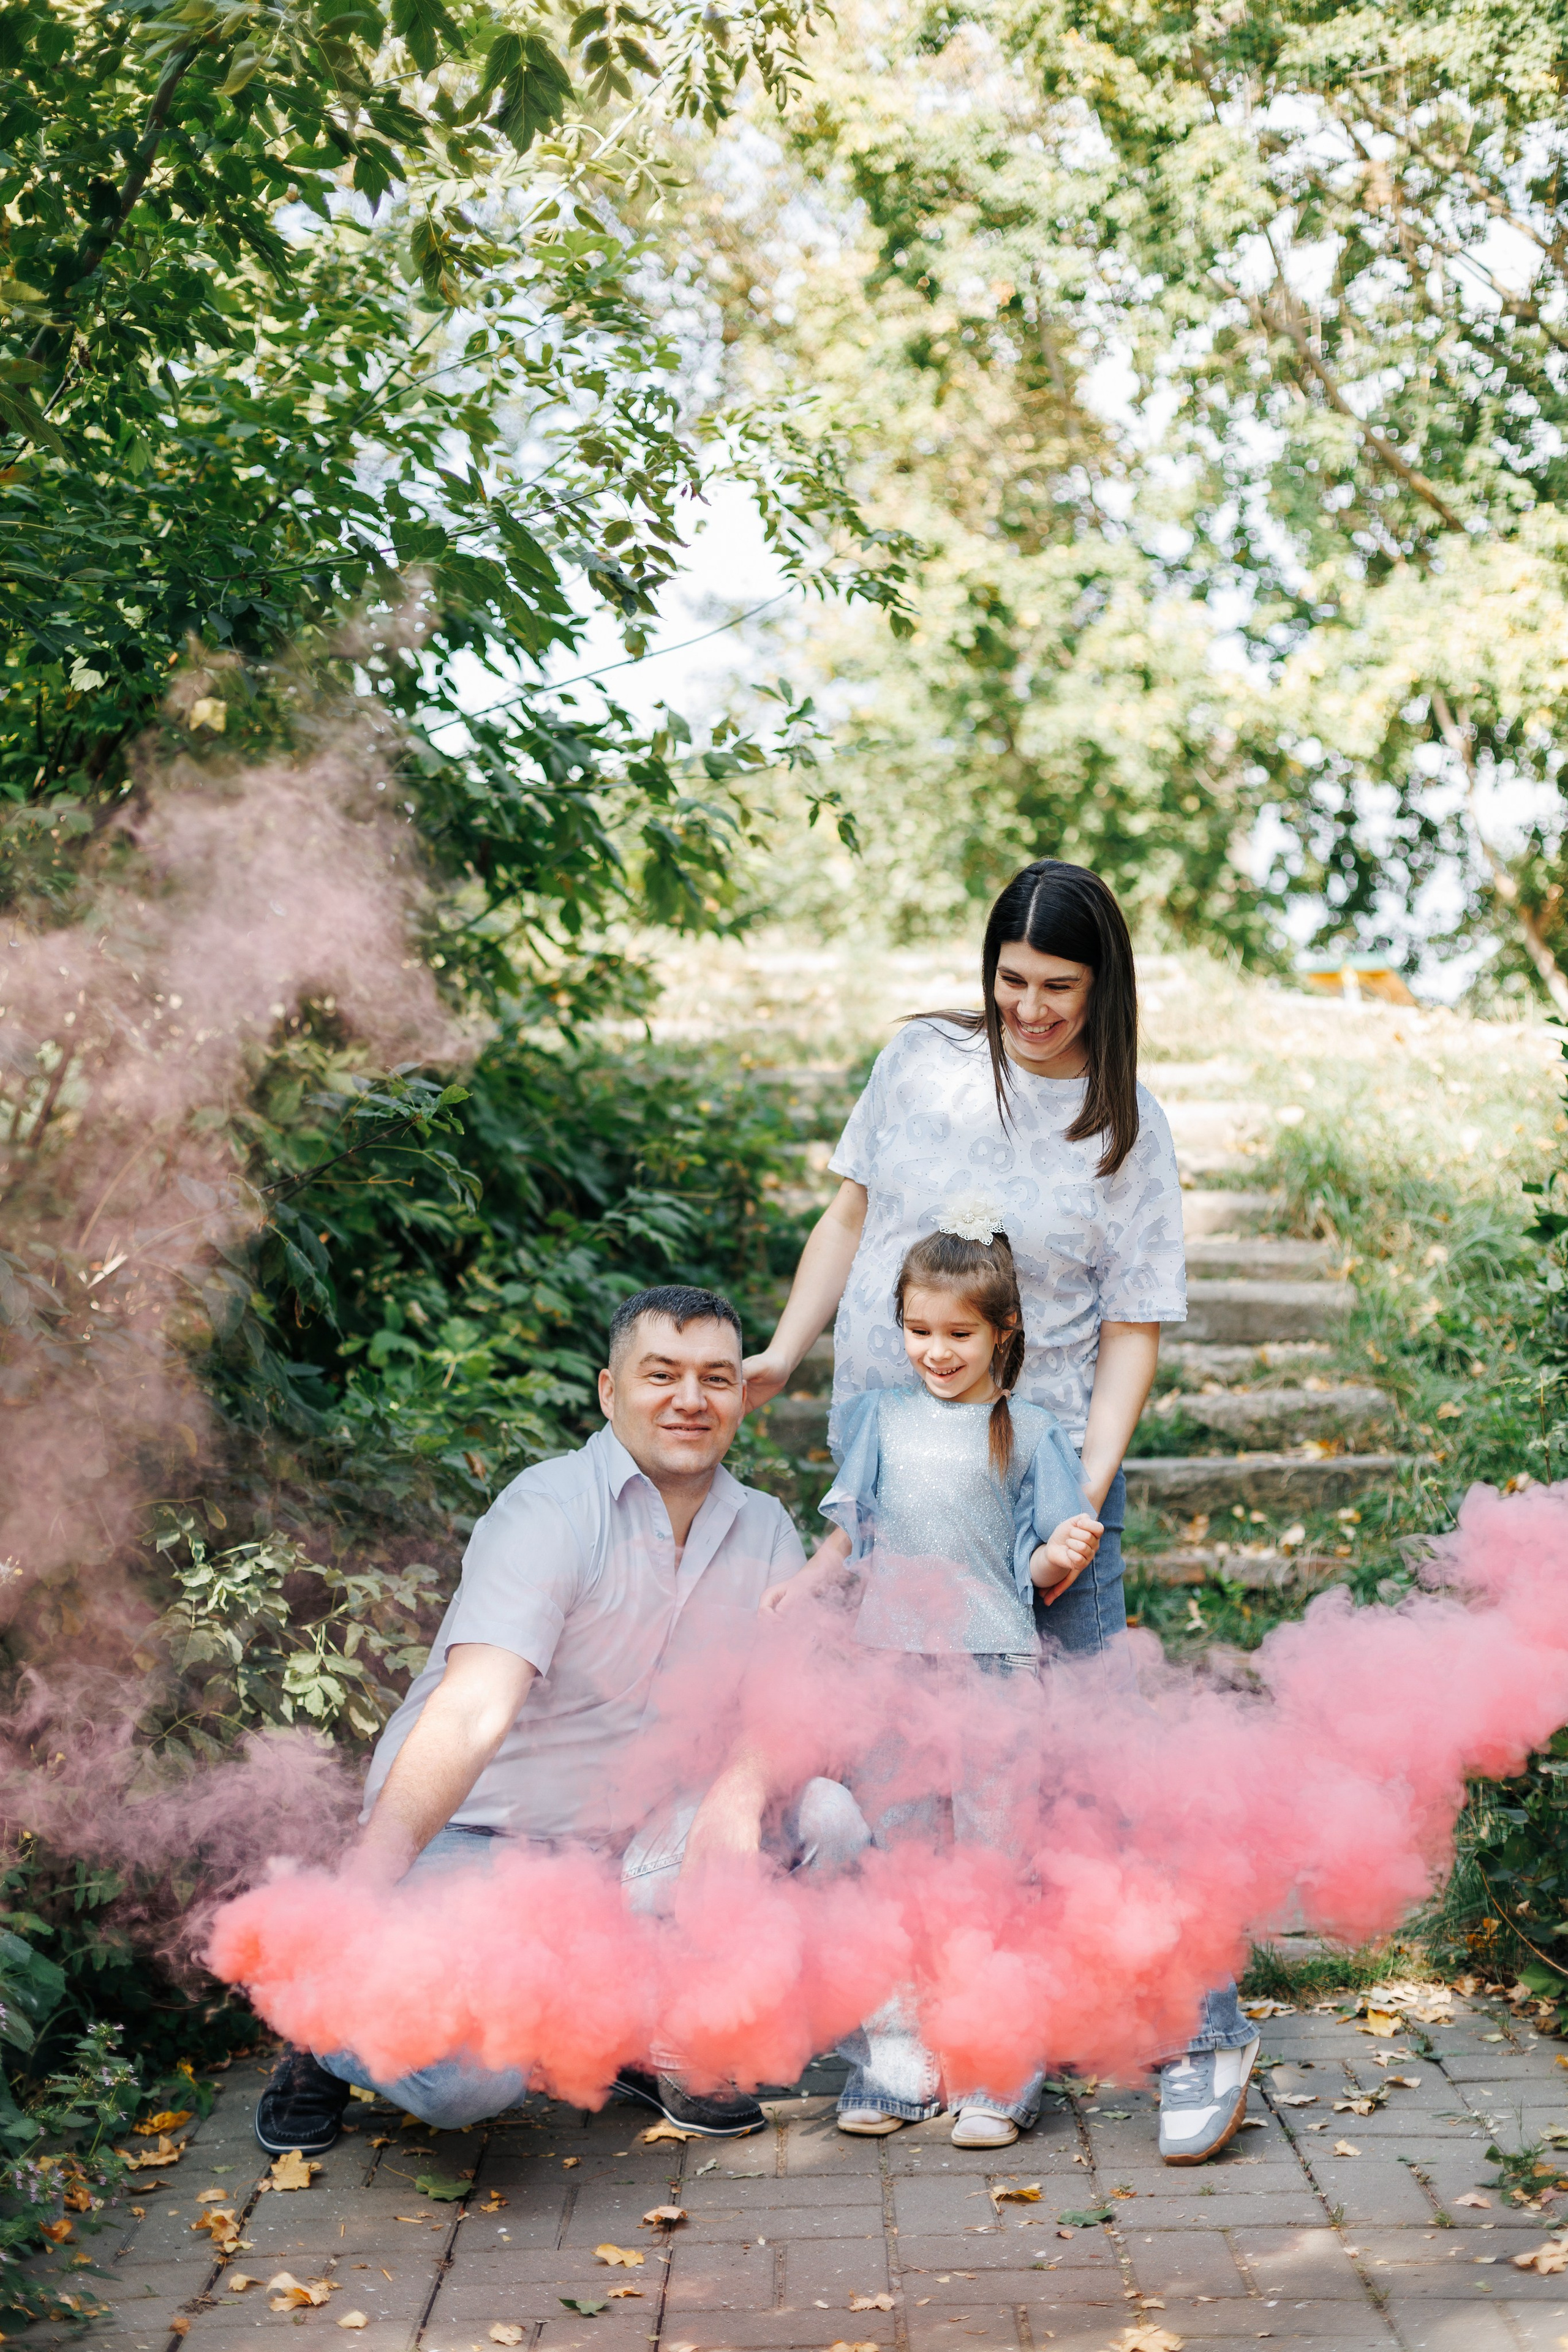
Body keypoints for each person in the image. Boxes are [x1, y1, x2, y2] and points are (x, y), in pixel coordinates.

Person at [741, 858, 1261, 2165]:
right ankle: (936, 2033)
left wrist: (1072, 1508)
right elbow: (847, 1219)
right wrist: (782, 1353)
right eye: (1010, 981)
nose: (1028, 1008)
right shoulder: (917, 1063)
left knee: (1081, 1767)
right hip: (887, 1476)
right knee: (907, 1768)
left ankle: (1204, 2029)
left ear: (1105, 988)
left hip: (1037, 1487)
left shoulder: (1122, 1120)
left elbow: (1133, 1331)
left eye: (1058, 989)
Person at [252, 1283, 829, 2157]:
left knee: (825, 1817)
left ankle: (648, 2038)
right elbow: (477, 1707)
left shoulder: (764, 1530)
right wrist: (368, 1883)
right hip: (484, 1841)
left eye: (716, 1378)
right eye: (661, 1374)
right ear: (608, 1391)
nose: (690, 1399)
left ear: (740, 1397)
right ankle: (326, 2022)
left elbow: (787, 1696)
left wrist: (741, 1790)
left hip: (633, 1855)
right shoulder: (549, 1512)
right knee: (462, 2082)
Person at [764, 1214, 1102, 2147]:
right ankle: (897, 2056)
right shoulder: (881, 1418)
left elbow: (1032, 1571)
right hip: (891, 1671)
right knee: (898, 1858)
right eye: (920, 1330)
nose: (937, 1352)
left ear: (1003, 1334)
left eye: (959, 1334)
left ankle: (998, 2063)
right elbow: (853, 1532)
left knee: (991, 1864)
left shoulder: (1031, 1432)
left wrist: (1057, 1552)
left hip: (991, 1671)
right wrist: (804, 1583)